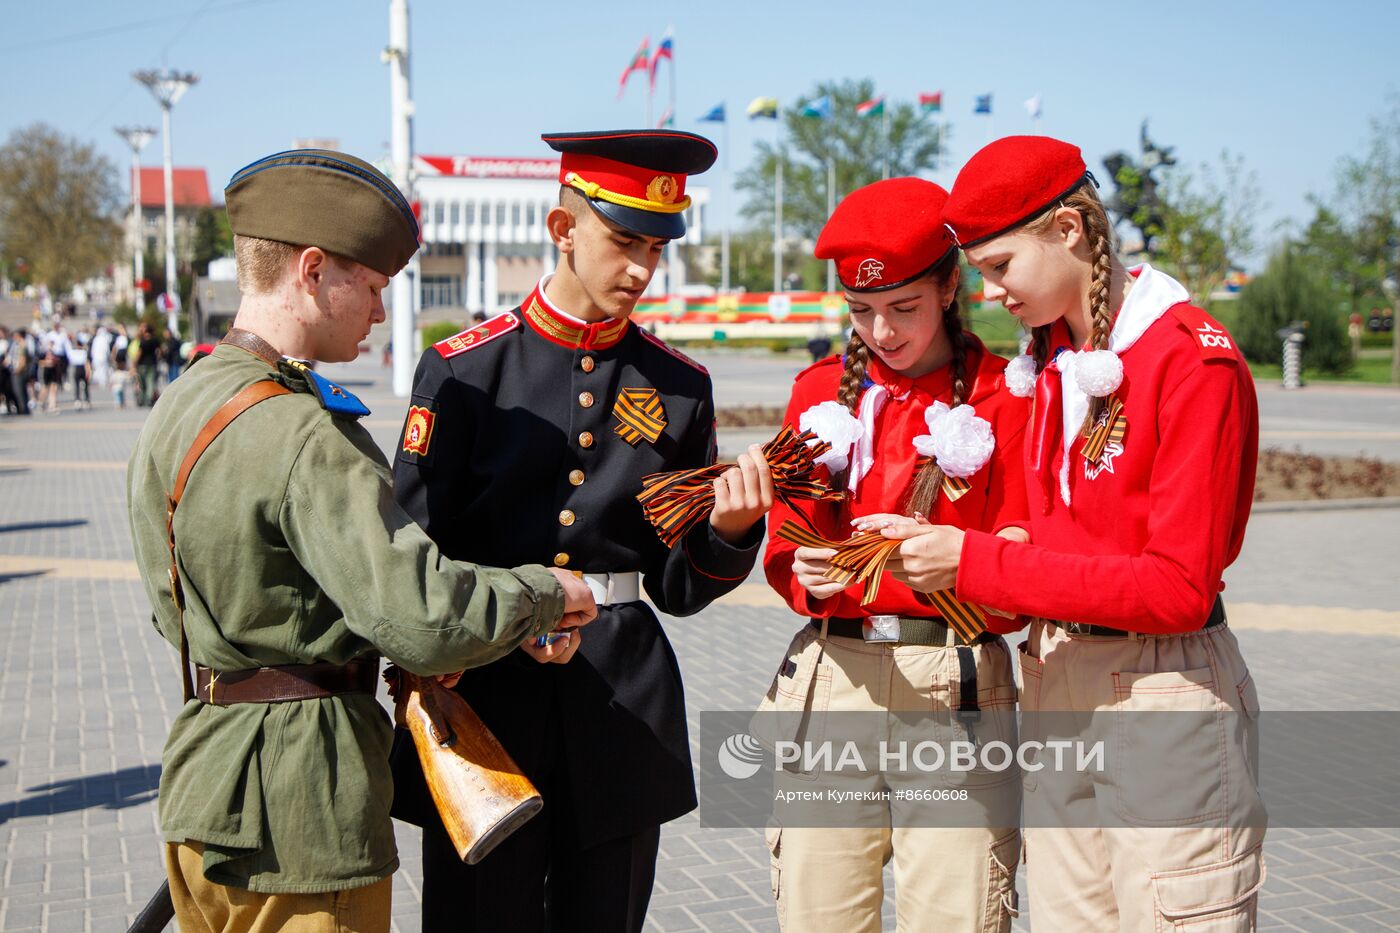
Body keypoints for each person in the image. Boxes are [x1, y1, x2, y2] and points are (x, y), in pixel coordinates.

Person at [125, 148, 599, 933]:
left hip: (204, 784)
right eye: (373, 286)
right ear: (312, 271)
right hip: (302, 809)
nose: (380, 311)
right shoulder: (305, 433)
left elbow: (168, 606)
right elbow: (422, 618)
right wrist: (549, 592)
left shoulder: (183, 401)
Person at [391, 129, 775, 933]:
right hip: (485, 698)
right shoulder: (465, 372)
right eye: (624, 241)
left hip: (619, 708)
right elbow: (412, 550)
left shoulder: (679, 386)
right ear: (563, 229)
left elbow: (677, 584)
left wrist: (731, 532)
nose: (642, 269)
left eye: (657, 248)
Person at [886, 136, 1266, 929]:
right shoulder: (1054, 356)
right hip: (1056, 673)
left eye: (1000, 266)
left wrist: (977, 562)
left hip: (1162, 687)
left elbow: (1177, 588)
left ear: (1068, 230)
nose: (988, 292)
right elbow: (1051, 529)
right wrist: (967, 546)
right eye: (980, 271)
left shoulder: (1190, 360)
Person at [760, 178, 1028, 932]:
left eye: (904, 306)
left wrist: (957, 562)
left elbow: (1022, 567)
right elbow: (786, 540)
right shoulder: (819, 391)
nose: (881, 330)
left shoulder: (1008, 395)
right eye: (860, 310)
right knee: (819, 916)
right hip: (834, 676)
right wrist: (807, 570)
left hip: (955, 685)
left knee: (958, 915)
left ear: (949, 287)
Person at [134, 322, 162, 406]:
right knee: (150, 382)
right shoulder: (155, 340)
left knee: (142, 382)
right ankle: (149, 399)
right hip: (152, 363)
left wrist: (135, 363)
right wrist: (157, 358)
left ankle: (143, 398)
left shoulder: (143, 341)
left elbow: (139, 353)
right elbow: (160, 351)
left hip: (142, 364)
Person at [66, 329, 92, 410]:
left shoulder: (73, 352)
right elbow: (87, 362)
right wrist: (89, 371)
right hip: (81, 368)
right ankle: (85, 400)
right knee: (85, 385)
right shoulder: (83, 352)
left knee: (78, 385)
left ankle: (78, 400)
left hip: (77, 368)